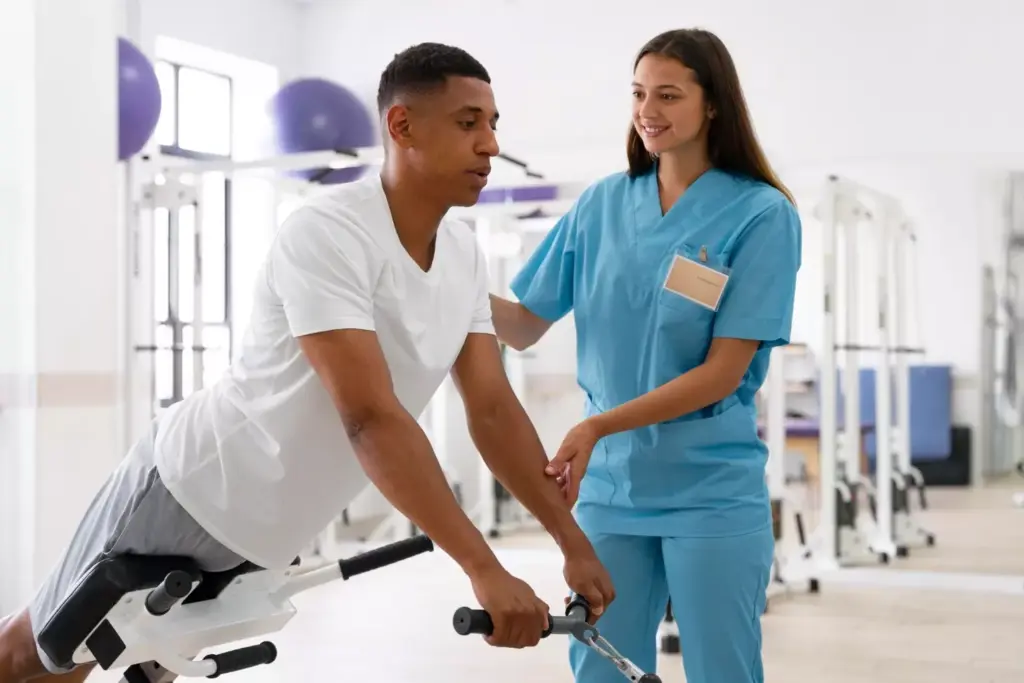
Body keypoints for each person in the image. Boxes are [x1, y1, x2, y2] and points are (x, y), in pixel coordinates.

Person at [0, 42, 615, 683]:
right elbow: (370, 417)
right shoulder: (330, 231)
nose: (489, 143)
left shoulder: (462, 252)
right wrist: (483, 567)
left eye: (492, 123)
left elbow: (492, 409)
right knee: (35, 655)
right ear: (402, 125)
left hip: (268, 537)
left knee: (123, 666)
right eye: (468, 123)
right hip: (194, 489)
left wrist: (571, 544)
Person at [489, 28, 801, 683]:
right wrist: (432, 274)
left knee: (722, 671)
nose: (647, 110)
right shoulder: (602, 204)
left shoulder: (761, 214)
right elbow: (521, 326)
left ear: (712, 104)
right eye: (637, 93)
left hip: (710, 486)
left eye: (668, 95)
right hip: (611, 488)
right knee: (602, 669)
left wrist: (597, 425)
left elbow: (722, 373)